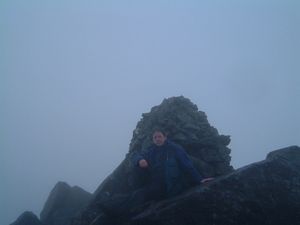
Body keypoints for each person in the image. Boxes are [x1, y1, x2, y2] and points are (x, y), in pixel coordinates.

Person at [97, 129, 213, 216]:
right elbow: (134, 155)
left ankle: (110, 207)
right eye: (155, 137)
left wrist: (199, 179)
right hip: (154, 183)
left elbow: (187, 165)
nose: (157, 139)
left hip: (168, 186)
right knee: (137, 175)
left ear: (165, 137)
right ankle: (111, 203)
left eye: (159, 136)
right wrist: (140, 160)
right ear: (153, 139)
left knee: (139, 195)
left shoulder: (174, 149)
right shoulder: (152, 150)